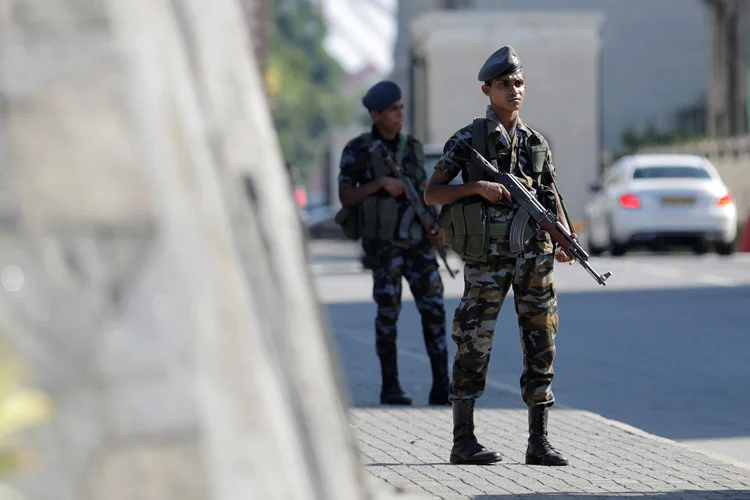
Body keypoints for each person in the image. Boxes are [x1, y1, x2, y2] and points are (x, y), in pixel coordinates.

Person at [424, 46, 575, 466]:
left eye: (519, 83)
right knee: (474, 342)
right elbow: (432, 192)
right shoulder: (468, 140)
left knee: (541, 341)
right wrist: (475, 188)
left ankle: (538, 442)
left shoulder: (535, 142)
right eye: (505, 84)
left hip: (535, 259)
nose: (514, 90)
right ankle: (463, 440)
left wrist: (564, 236)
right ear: (487, 89)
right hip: (488, 262)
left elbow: (550, 196)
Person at [337, 80, 450, 406]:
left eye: (401, 107)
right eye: (393, 109)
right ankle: (391, 386)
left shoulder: (412, 148)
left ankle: (441, 385)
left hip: (417, 245)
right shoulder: (358, 150)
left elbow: (425, 191)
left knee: (434, 311)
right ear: (376, 114)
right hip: (384, 246)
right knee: (388, 313)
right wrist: (379, 184)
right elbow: (346, 196)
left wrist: (435, 225)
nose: (400, 113)